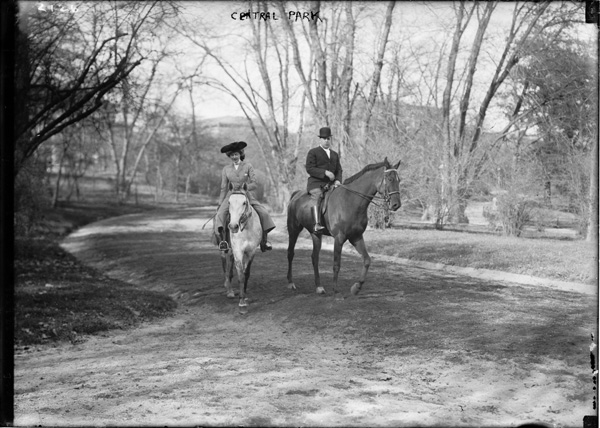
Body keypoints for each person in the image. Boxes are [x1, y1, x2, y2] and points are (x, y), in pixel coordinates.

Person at [213, 141, 275, 252]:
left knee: (263, 213)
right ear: (229, 156)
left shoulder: (248, 166)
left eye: (236, 154)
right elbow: (223, 187)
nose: (234, 157)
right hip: (230, 196)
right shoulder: (226, 169)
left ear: (240, 154)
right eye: (232, 155)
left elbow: (255, 183)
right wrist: (220, 202)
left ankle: (264, 241)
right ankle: (224, 242)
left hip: (246, 195)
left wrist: (246, 186)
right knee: (220, 215)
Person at [305, 127, 343, 233]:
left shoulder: (335, 154)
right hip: (316, 184)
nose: (326, 140)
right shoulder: (313, 152)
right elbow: (309, 168)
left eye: (328, 138)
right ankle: (316, 224)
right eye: (324, 138)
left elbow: (339, 170)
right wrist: (324, 172)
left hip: (332, 184)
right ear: (320, 139)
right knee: (318, 196)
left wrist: (338, 180)